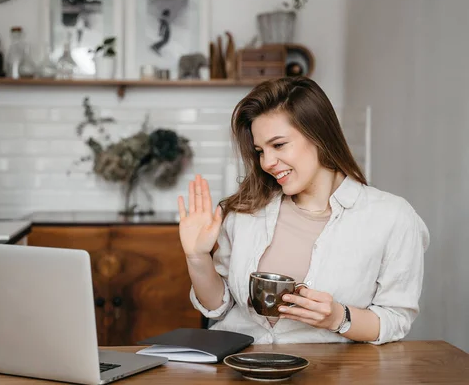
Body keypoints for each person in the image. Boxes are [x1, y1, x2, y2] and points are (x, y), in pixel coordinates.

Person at [177, 77, 429, 345]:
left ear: (318, 136)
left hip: (328, 373)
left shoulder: (392, 217)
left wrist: (338, 318)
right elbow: (220, 307)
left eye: (279, 145)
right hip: (240, 366)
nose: (267, 163)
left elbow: (396, 319)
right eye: (260, 151)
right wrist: (197, 257)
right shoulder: (246, 211)